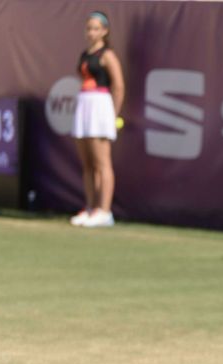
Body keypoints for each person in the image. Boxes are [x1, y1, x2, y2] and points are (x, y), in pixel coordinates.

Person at [70, 11, 124, 228]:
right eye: (88, 28)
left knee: (102, 163)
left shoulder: (107, 55)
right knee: (87, 164)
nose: (91, 32)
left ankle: (105, 211)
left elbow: (119, 86)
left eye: (95, 28)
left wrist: (113, 114)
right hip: (84, 105)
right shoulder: (84, 54)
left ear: (104, 31)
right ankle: (91, 207)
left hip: (101, 107)